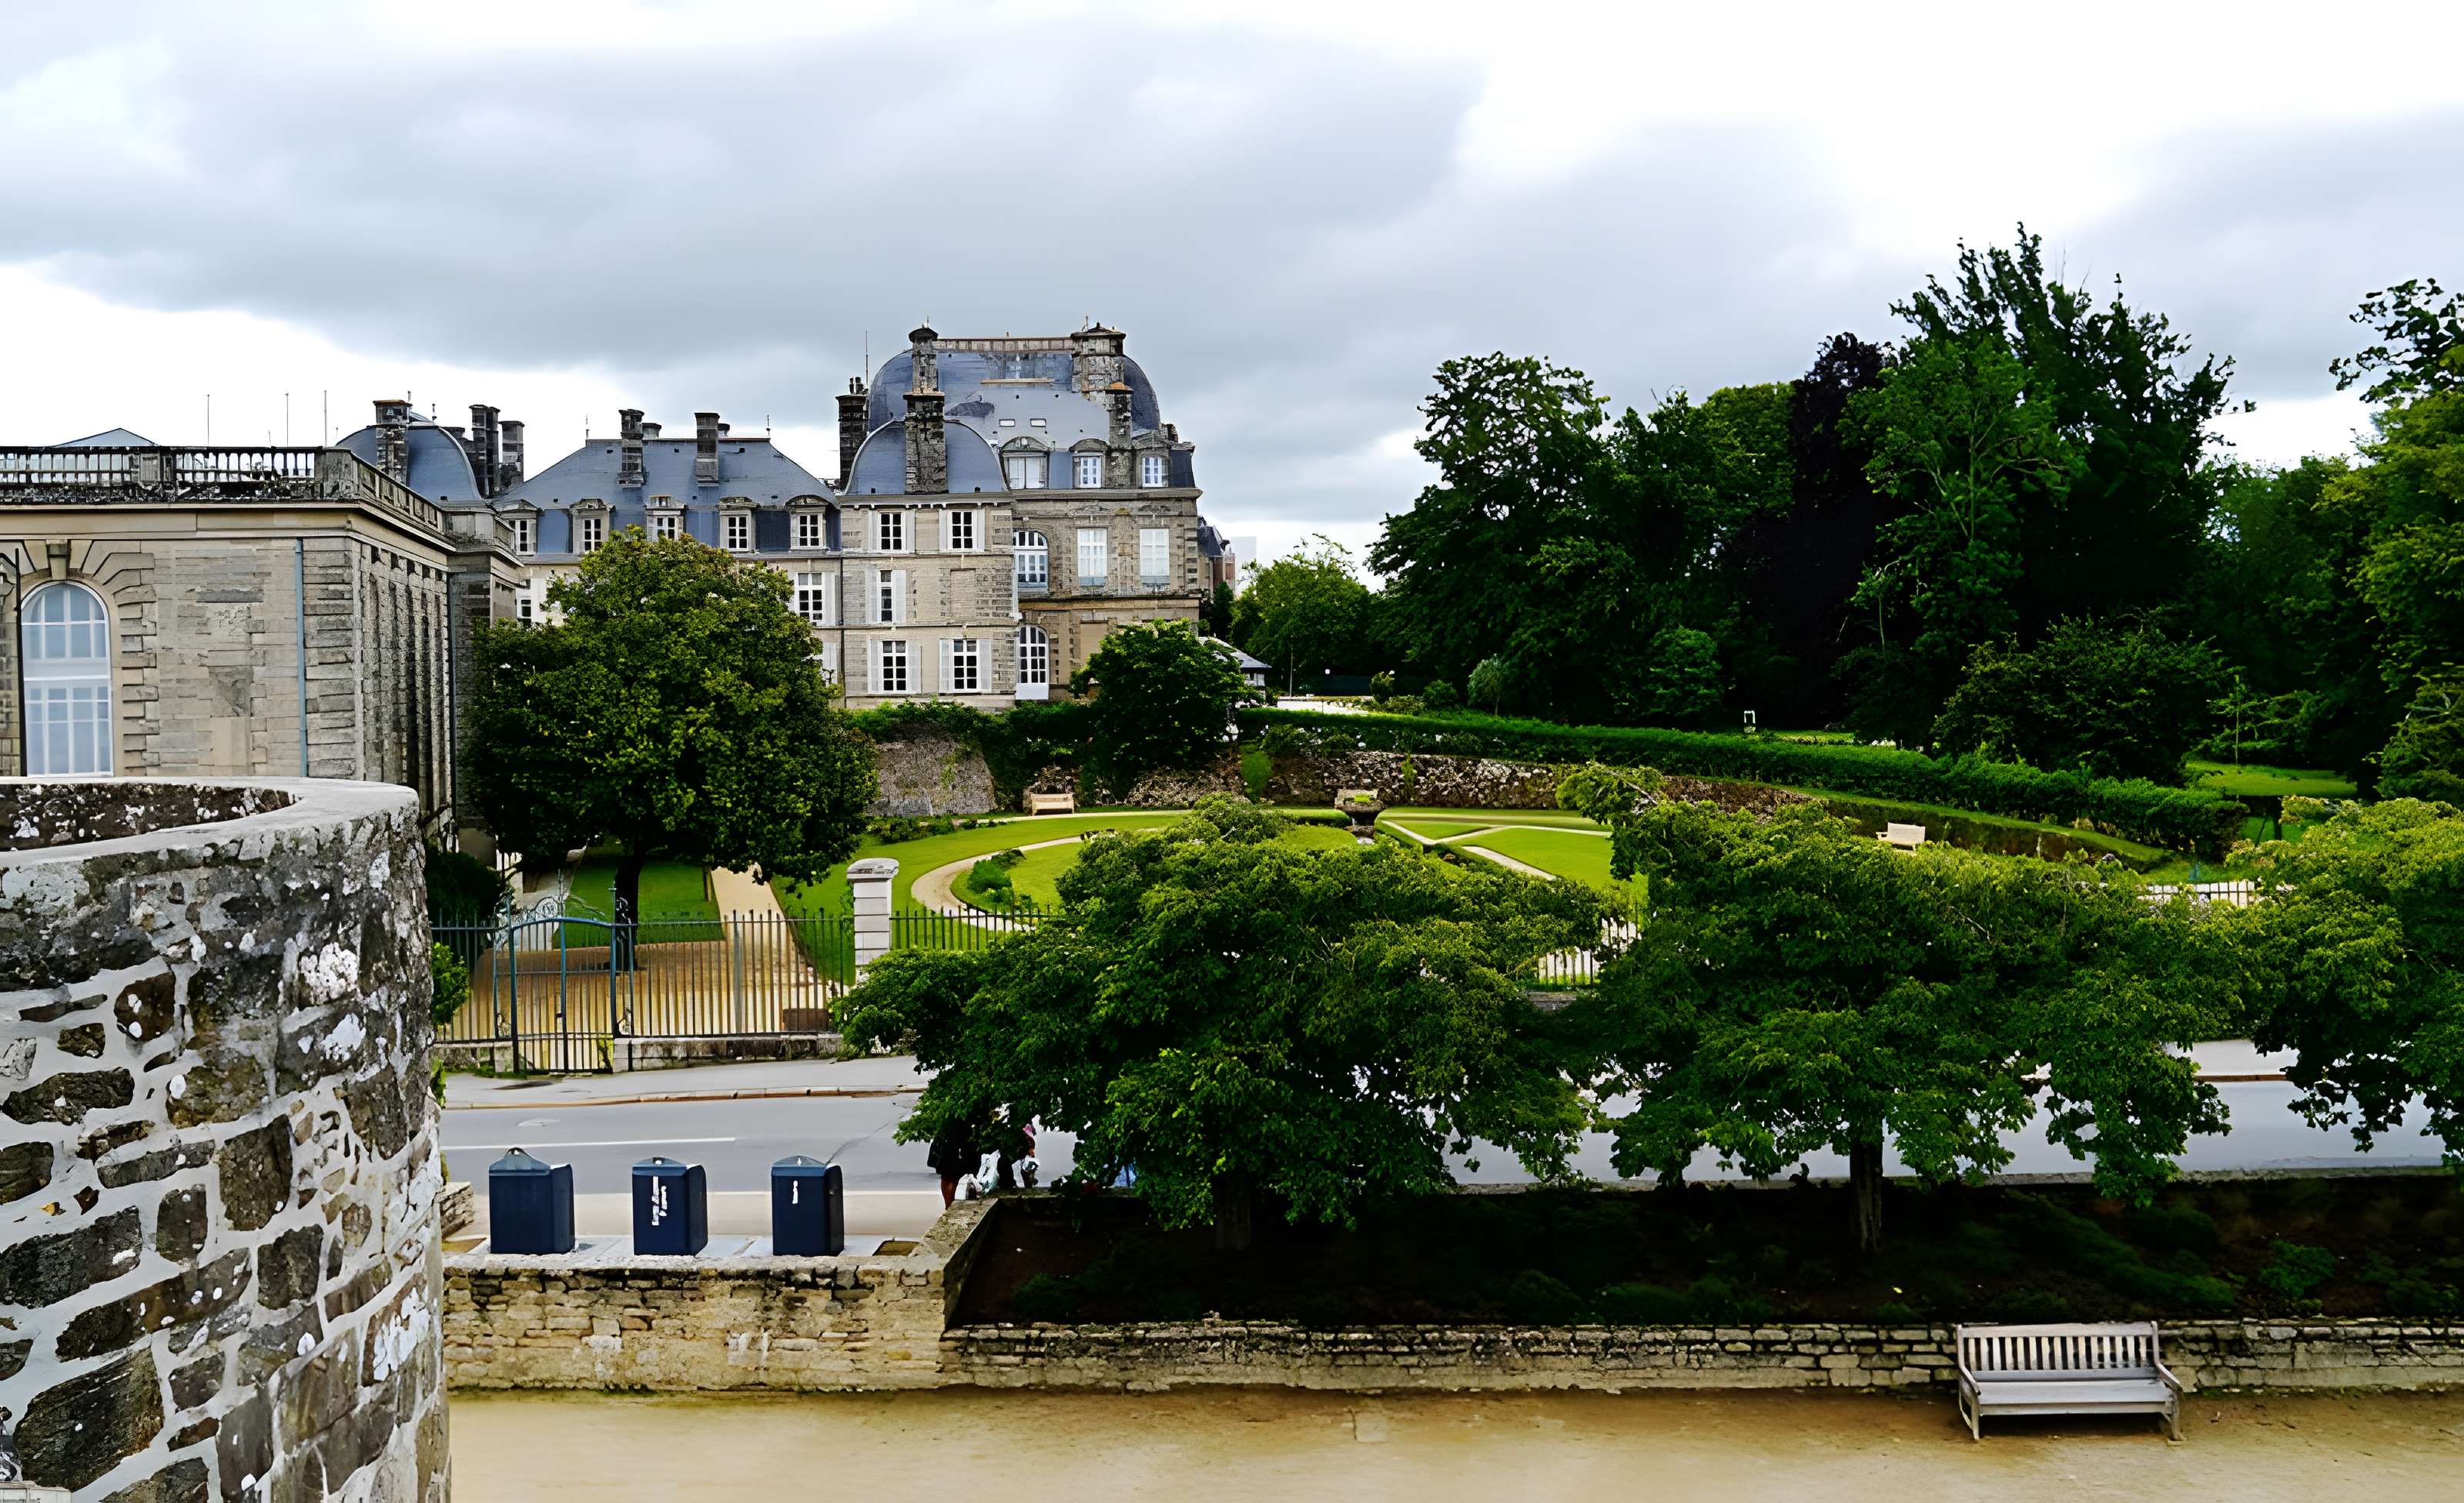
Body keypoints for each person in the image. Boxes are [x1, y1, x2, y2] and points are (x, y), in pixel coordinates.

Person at [926, 1120, 978, 1207]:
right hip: (960, 1146)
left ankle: (949, 1205)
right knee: (952, 1178)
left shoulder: (946, 1127)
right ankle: (951, 1205)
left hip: (951, 1146)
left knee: (949, 1178)